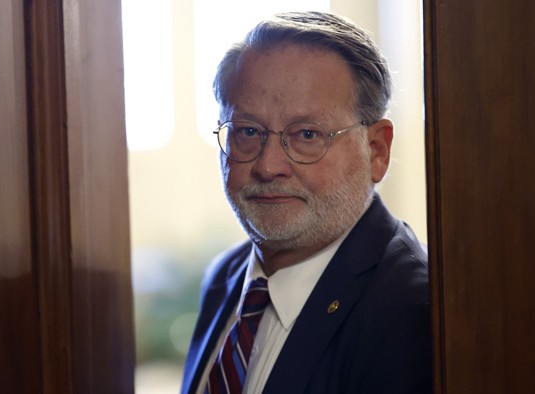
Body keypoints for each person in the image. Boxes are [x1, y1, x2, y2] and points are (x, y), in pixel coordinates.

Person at [181, 11, 430, 394]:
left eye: (307, 134)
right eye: (248, 131)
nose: (268, 166)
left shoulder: (415, 310)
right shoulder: (225, 277)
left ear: (376, 150)